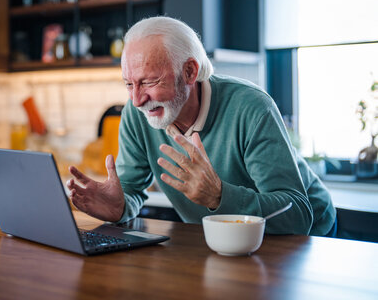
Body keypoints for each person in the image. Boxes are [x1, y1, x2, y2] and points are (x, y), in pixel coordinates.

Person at [66, 16, 336, 236]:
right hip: (224, 239)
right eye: (128, 83)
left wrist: (219, 196)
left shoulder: (251, 107)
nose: (137, 100)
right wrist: (119, 205)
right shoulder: (137, 115)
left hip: (308, 236)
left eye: (148, 82)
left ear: (189, 72)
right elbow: (130, 191)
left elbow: (298, 215)